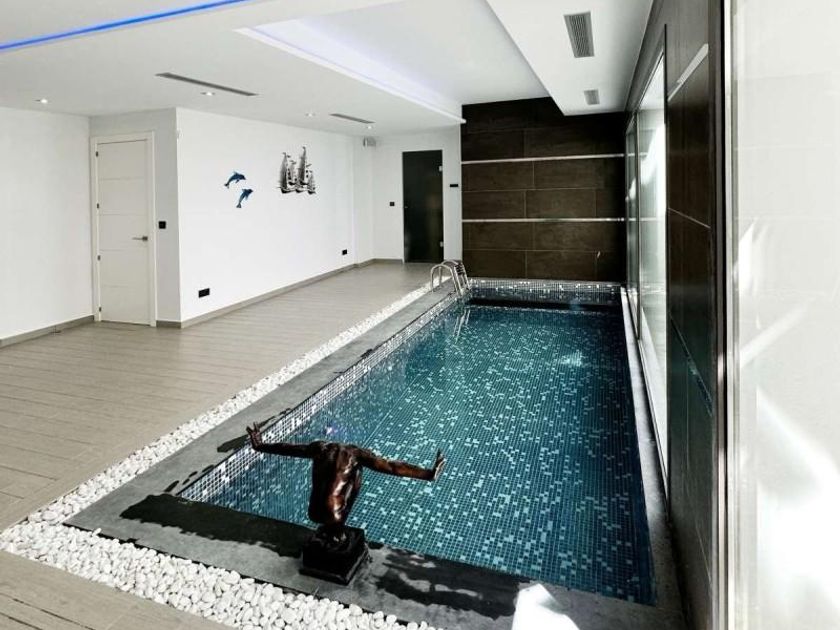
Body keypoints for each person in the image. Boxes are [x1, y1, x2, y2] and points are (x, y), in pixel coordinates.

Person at [246, 423, 445, 546]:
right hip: (334, 514)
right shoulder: (355, 454)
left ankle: (328, 531)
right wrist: (428, 474)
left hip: (313, 512)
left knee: (331, 481)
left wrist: (260, 445)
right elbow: (392, 467)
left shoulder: (319, 448)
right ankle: (337, 534)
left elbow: (287, 448)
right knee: (356, 474)